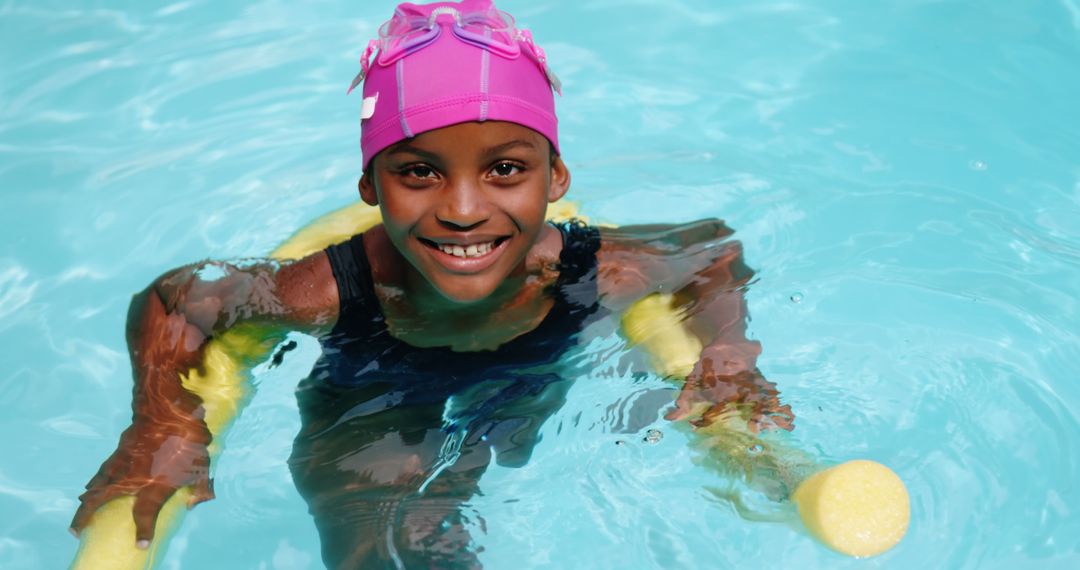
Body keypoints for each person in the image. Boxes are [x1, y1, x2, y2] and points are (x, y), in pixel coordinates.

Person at [69, 0, 794, 567]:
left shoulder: (595, 268)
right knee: (373, 521)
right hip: (374, 378)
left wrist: (728, 359)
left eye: (505, 169)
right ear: (370, 187)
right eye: (418, 171)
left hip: (534, 365)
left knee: (568, 443)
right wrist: (162, 428)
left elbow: (711, 253)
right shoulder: (329, 288)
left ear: (557, 177)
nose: (463, 209)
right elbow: (179, 298)